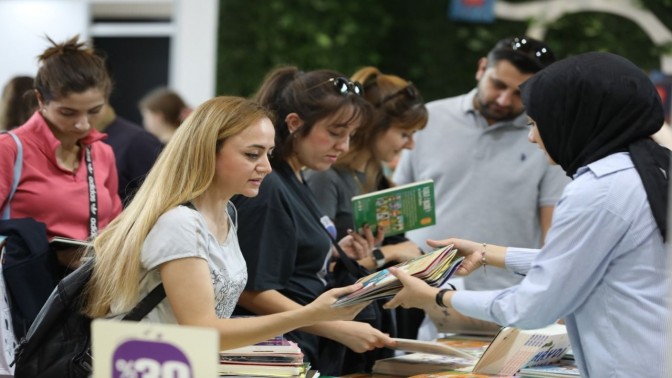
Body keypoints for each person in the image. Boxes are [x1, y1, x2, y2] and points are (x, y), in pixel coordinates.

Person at [385, 52, 670, 377]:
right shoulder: (653, 169)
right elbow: (589, 261)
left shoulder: (598, 189)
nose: (533, 137)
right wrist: (490, 253)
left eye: (536, 124)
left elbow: (530, 308)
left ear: (575, 119)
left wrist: (438, 298)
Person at [84, 95, 369, 351]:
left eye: (268, 154)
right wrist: (310, 314)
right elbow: (203, 330)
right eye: (252, 154)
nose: (267, 167)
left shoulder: (226, 213)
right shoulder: (180, 223)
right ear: (208, 151)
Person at [232, 67, 395, 375]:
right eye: (335, 133)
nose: (343, 146)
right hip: (279, 355)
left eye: (350, 136)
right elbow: (252, 290)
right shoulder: (268, 184)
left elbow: (288, 256)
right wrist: (334, 327)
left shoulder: (295, 176)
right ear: (294, 123)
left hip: (299, 347)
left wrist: (333, 252)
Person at [393, 36, 569, 291]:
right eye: (498, 85)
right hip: (416, 283)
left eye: (519, 93)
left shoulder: (547, 139)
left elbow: (552, 233)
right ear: (481, 68)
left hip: (500, 295)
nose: (503, 100)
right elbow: (397, 208)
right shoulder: (428, 120)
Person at [305, 67, 429, 342]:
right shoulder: (326, 176)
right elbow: (316, 267)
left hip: (373, 319)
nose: (410, 145)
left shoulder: (378, 180)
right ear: (374, 127)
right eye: (404, 133)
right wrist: (390, 253)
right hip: (335, 328)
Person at [0, 35, 122, 267]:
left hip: (88, 291)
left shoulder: (102, 153)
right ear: (40, 100)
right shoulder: (9, 150)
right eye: (68, 113)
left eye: (94, 111)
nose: (83, 124)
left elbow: (115, 224)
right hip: (23, 291)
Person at [96, 104, 163, 204]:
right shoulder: (78, 143)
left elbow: (160, 196)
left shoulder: (139, 141)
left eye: (92, 110)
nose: (81, 122)